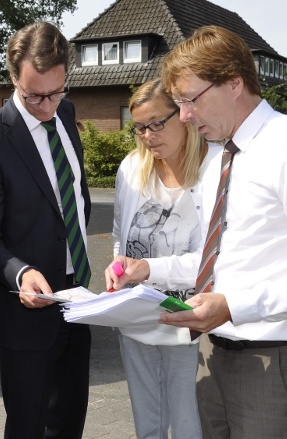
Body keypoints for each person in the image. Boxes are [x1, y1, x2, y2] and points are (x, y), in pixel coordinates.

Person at [111, 25, 287, 438]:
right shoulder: (221, 156)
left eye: (190, 100)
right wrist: (147, 269)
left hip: (271, 359)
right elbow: (218, 261)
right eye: (180, 103)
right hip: (212, 350)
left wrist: (234, 305)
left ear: (233, 84)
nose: (185, 116)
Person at [0, 21, 92, 439]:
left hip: (77, 299)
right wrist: (19, 271)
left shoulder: (67, 114)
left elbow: (75, 199)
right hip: (26, 313)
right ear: (13, 76)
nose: (46, 105)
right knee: (27, 429)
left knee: (70, 423)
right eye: (34, 94)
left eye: (57, 92)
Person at [105, 78, 220, 439]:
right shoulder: (132, 169)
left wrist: (148, 268)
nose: (148, 136)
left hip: (189, 324)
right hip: (137, 321)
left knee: (189, 426)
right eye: (139, 127)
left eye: (157, 123)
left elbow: (213, 261)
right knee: (147, 427)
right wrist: (119, 266)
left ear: (184, 115)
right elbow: (120, 236)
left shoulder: (214, 170)